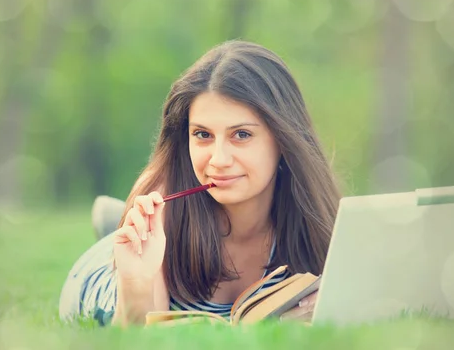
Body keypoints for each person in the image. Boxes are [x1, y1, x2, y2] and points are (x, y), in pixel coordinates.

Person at [58, 40, 342, 326]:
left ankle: (113, 218)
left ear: (283, 140)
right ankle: (116, 230)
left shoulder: (313, 215)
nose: (218, 160)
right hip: (106, 289)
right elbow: (136, 334)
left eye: (241, 135)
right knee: (136, 228)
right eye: (203, 135)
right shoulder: (161, 208)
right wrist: (137, 281)